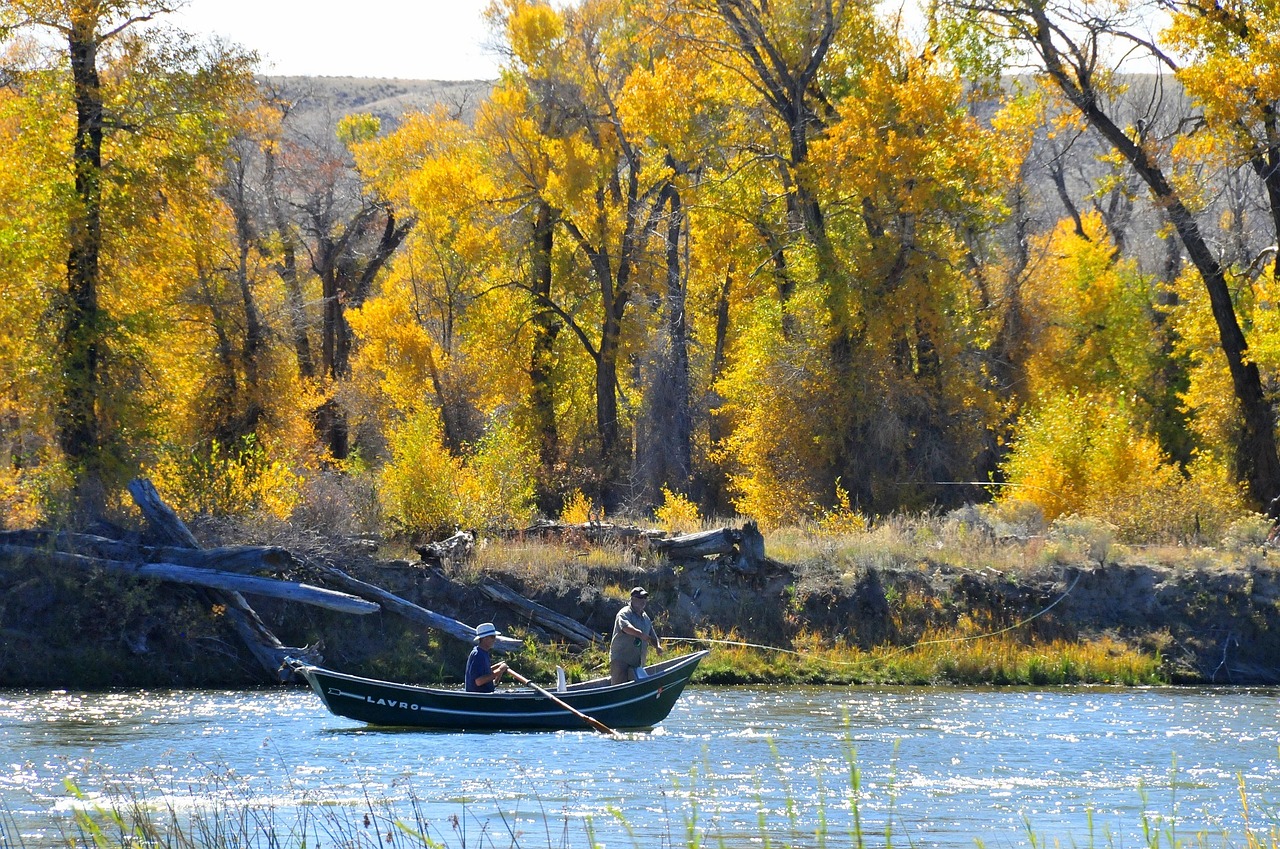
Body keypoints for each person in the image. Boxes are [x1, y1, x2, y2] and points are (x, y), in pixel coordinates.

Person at [609, 587, 663, 685]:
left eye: (644, 598)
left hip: (637, 664)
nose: (643, 601)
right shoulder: (624, 613)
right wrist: (640, 635)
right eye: (640, 598)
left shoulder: (645, 617)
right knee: (618, 688)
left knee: (637, 688)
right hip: (621, 661)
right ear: (632, 599)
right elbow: (626, 628)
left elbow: (652, 635)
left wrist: (657, 646)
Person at [465, 622, 508, 692]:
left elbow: (484, 672)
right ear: (485, 638)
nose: (494, 639)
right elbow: (478, 681)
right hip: (478, 698)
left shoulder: (483, 652)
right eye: (493, 637)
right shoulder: (478, 654)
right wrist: (500, 670)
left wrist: (497, 667)